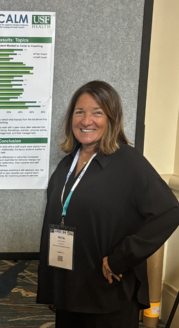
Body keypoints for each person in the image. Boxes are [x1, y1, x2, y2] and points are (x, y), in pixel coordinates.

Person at [36, 80, 179, 327]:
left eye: (97, 113)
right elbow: (55, 223)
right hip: (69, 290)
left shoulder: (128, 161)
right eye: (79, 112)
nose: (86, 120)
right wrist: (52, 286)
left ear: (111, 119)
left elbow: (169, 212)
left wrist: (121, 257)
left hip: (107, 293)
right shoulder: (65, 166)